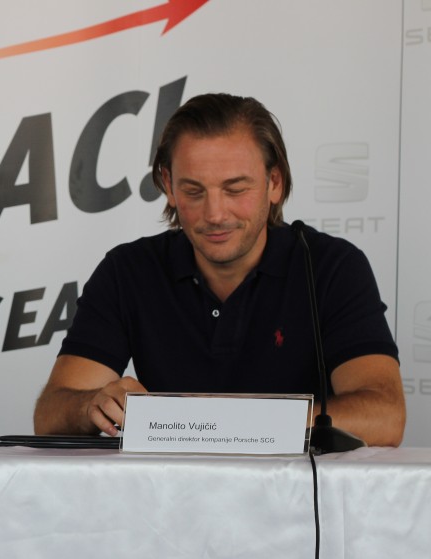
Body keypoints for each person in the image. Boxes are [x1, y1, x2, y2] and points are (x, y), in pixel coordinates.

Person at [34, 93, 405, 446]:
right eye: (194, 191)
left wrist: (225, 423)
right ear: (168, 186)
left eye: (235, 189)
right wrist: (92, 405)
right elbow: (50, 414)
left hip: (296, 490)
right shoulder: (127, 270)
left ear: (274, 184)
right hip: (166, 489)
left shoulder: (331, 267)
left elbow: (385, 415)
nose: (214, 214)